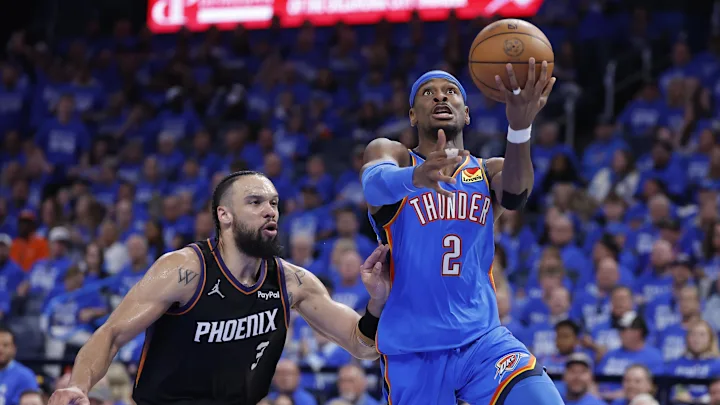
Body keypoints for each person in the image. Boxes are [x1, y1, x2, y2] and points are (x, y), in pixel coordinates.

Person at [49, 171, 392, 405]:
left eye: (274, 203)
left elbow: (361, 346)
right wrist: (78, 385)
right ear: (224, 215)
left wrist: (376, 302)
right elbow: (111, 334)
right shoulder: (183, 270)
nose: (270, 211)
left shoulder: (291, 281)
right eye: (255, 202)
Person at [361, 60, 562, 404]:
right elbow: (373, 185)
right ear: (412, 115)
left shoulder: (487, 171)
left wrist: (519, 128)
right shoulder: (394, 155)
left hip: (482, 341)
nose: (440, 97)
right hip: (413, 349)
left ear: (466, 114)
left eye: (451, 91)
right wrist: (415, 177)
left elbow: (516, 195)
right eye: (428, 93)